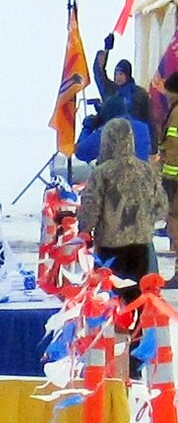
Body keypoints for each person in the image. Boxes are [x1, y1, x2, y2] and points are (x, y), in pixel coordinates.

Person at [79, 117, 167, 371]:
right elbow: (161, 207)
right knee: (138, 302)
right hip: (140, 247)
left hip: (109, 250)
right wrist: (143, 220)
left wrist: (84, 230)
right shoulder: (145, 170)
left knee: (111, 305)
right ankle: (136, 362)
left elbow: (91, 208)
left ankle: (111, 361)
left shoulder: (102, 173)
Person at [92, 34, 154, 141]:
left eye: (121, 74)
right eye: (116, 74)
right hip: (110, 137)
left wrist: (151, 146)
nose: (118, 77)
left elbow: (148, 119)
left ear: (128, 74)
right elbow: (99, 72)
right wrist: (106, 50)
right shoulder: (110, 90)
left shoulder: (139, 93)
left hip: (133, 139)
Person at [159, 71, 178, 285]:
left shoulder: (176, 113)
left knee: (176, 224)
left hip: (176, 180)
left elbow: (173, 148)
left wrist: (169, 178)